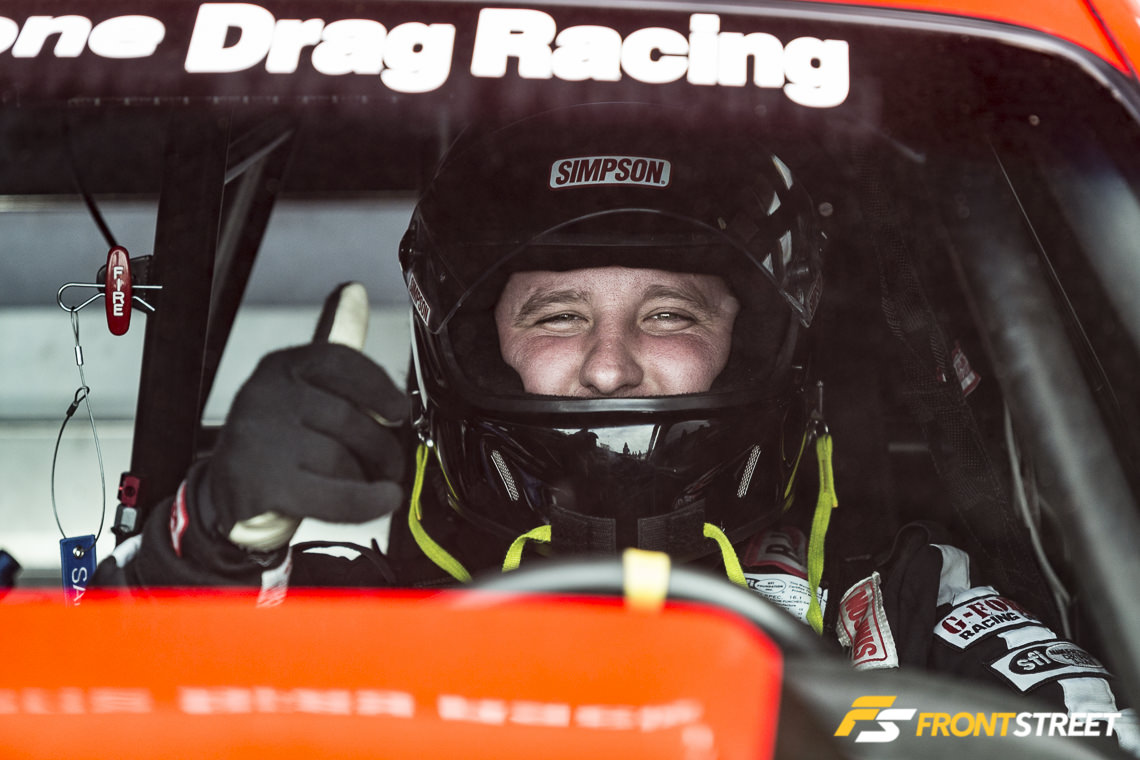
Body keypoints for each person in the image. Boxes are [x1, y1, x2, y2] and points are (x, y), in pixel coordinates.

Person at [94, 103, 1136, 751]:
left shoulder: (898, 611)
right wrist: (205, 546)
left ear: (751, 340)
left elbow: (1093, 736)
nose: (609, 363)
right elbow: (92, 722)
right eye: (557, 315)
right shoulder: (340, 623)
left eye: (670, 313)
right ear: (479, 347)